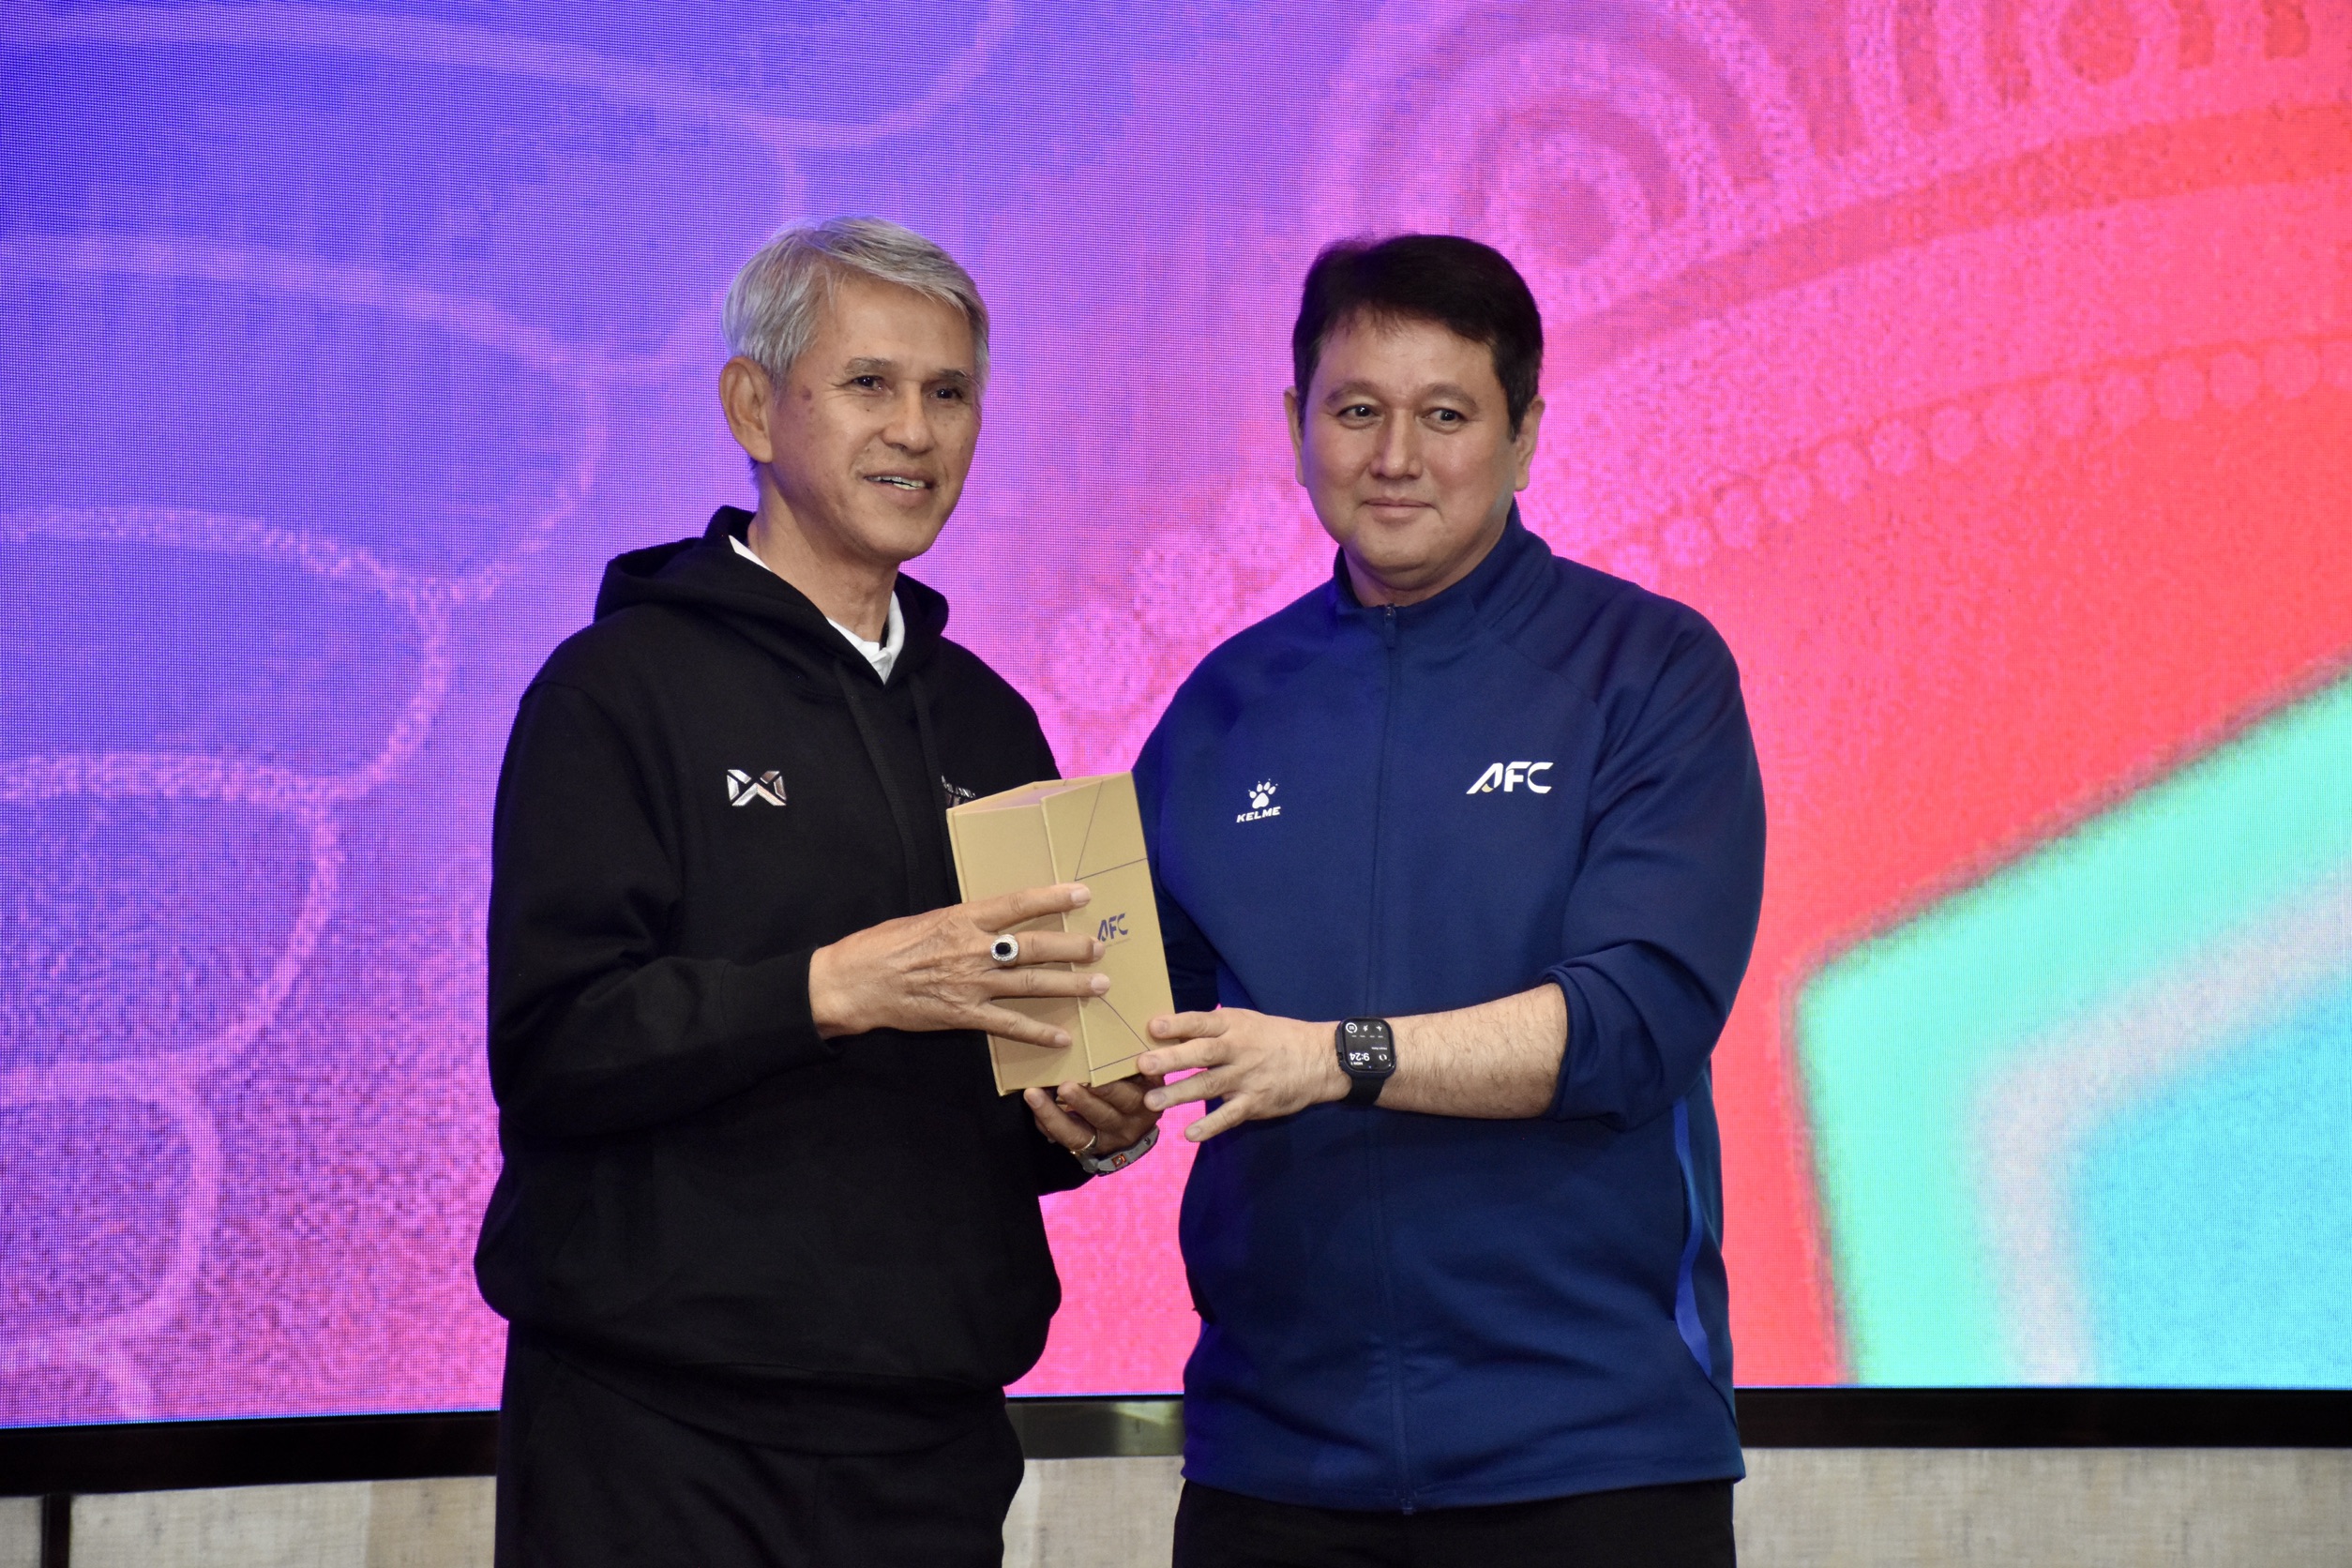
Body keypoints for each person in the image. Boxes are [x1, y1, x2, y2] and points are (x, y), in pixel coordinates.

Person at [475, 217, 1160, 1568]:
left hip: (929, 1441)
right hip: (656, 1439)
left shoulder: (994, 725)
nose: (915, 430)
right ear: (753, 406)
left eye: (948, 392)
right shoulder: (614, 690)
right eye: (868, 384)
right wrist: (832, 990)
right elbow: (552, 1048)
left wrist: (1088, 1123)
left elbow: (1011, 1095)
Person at [1132, 234, 1766, 1568]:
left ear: (1525, 436)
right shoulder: (1220, 709)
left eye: (1446, 416)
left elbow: (1634, 1023)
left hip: (1589, 1459)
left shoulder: (1647, 672)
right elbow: (1152, 1028)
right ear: (1295, 427)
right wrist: (1084, 1104)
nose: (1395, 458)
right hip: (1275, 1464)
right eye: (1357, 410)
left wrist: (1341, 1057)